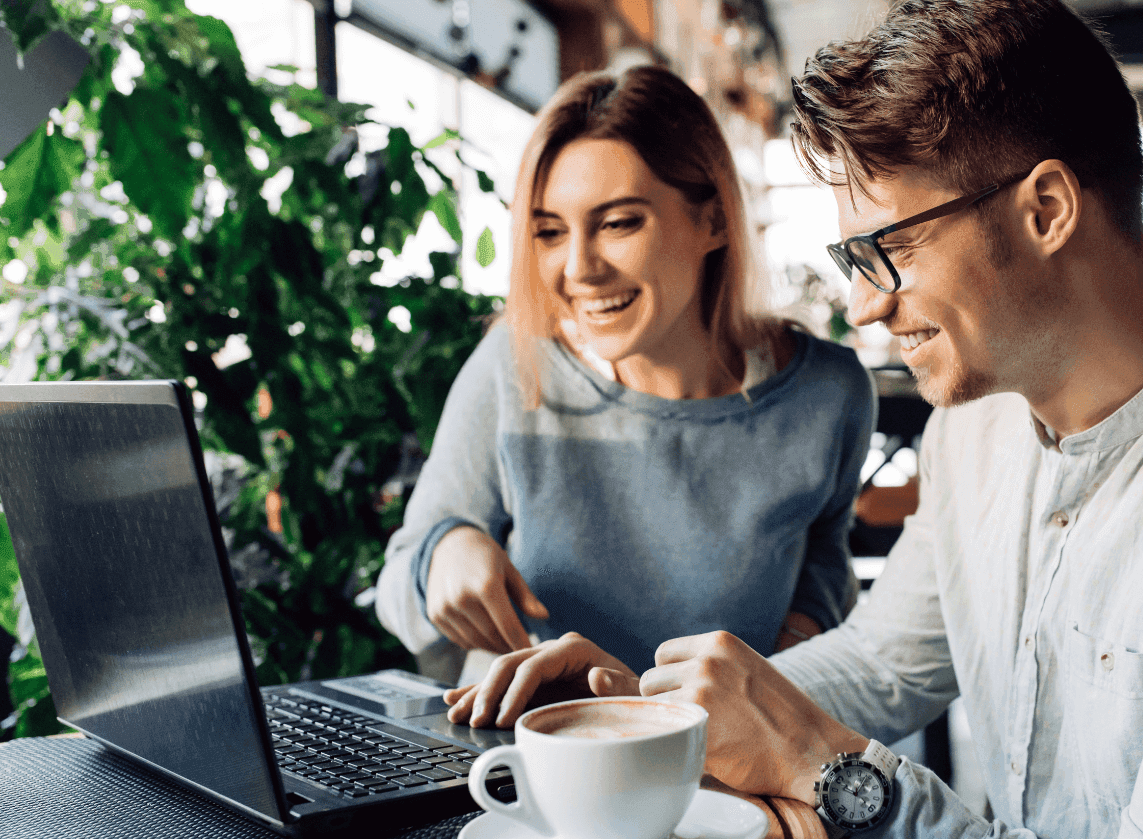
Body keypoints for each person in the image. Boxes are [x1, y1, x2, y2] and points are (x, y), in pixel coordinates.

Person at [463, 1, 1143, 839]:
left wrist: (832, 774)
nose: (861, 304)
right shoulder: (978, 426)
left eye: (885, 251)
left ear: (1047, 210)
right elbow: (887, 665)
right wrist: (645, 715)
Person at [374, 65, 875, 700]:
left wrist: (776, 673)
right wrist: (443, 554)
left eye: (618, 223)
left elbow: (825, 563)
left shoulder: (828, 394)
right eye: (549, 232)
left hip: (723, 761)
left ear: (713, 221)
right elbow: (401, 583)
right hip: (537, 758)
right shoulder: (513, 364)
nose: (578, 268)